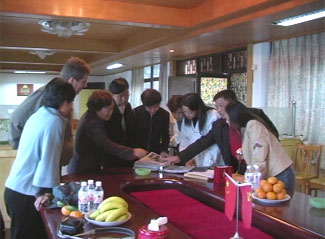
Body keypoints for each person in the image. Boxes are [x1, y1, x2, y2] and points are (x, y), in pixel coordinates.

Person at [4, 78, 76, 239]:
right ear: (64, 102)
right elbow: (49, 160)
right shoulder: (54, 121)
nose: (72, 107)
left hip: (14, 191)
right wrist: (44, 193)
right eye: (71, 102)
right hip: (26, 194)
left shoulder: (40, 114)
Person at [163, 90, 278, 173]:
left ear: (233, 102)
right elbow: (203, 142)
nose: (219, 110)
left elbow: (272, 136)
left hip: (266, 167)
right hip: (239, 168)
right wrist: (180, 157)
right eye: (217, 106)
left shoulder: (253, 116)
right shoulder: (220, 124)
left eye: (221, 106)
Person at [9, 56, 90, 166]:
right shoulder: (47, 93)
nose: (85, 85)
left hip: (53, 164)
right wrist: (25, 149)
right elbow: (17, 118)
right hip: (42, 165)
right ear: (72, 80)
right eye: (83, 81)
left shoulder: (64, 97)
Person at [68, 90, 148, 173]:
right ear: (98, 107)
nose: (111, 113)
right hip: (82, 169)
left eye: (112, 109)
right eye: (108, 109)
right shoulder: (92, 123)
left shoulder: (93, 116)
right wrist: (133, 152)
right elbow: (107, 145)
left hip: (89, 167)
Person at [225, 101, 295, 193]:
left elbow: (259, 154)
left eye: (227, 118)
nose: (226, 121)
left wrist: (250, 179)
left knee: (278, 206)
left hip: (280, 175)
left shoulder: (254, 125)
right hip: (273, 175)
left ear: (235, 117)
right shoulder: (247, 127)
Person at [178, 93, 222, 167]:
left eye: (190, 112)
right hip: (194, 161)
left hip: (212, 160)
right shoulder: (186, 121)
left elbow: (213, 142)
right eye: (185, 112)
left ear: (198, 108)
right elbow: (184, 141)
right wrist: (189, 159)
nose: (187, 115)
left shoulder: (213, 116)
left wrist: (209, 161)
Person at [104, 78, 136, 167]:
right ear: (112, 95)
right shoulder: (107, 109)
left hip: (128, 152)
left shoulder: (128, 106)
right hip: (112, 153)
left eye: (127, 94)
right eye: (120, 96)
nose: (124, 98)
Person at [133, 89, 170, 157]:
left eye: (156, 107)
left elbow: (165, 135)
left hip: (155, 153)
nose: (153, 110)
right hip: (138, 152)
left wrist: (164, 150)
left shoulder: (164, 114)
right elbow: (131, 134)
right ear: (144, 105)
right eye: (149, 108)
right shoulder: (135, 113)